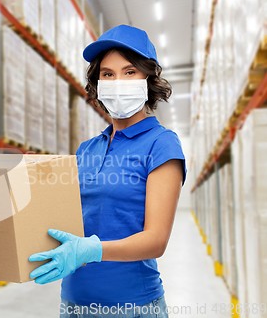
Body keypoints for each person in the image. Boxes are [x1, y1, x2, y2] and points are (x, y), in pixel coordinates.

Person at [28, 24, 187, 318]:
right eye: (108, 74)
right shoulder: (86, 149)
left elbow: (156, 240)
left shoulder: (161, 144)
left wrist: (92, 250)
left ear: (148, 78)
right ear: (97, 83)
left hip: (133, 307)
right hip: (74, 305)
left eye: (129, 72)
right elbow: (65, 223)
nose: (118, 82)